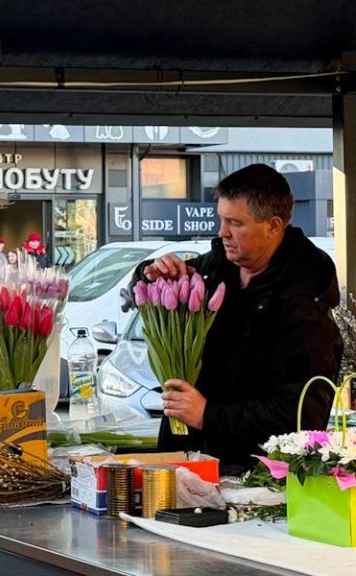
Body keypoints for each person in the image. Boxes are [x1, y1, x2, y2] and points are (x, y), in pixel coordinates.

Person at [136, 164, 342, 475]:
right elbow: (140, 291)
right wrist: (150, 272)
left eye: (235, 223)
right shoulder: (215, 270)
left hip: (254, 486)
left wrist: (209, 415)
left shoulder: (303, 305)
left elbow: (301, 416)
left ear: (273, 226)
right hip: (183, 469)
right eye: (221, 219)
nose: (222, 232)